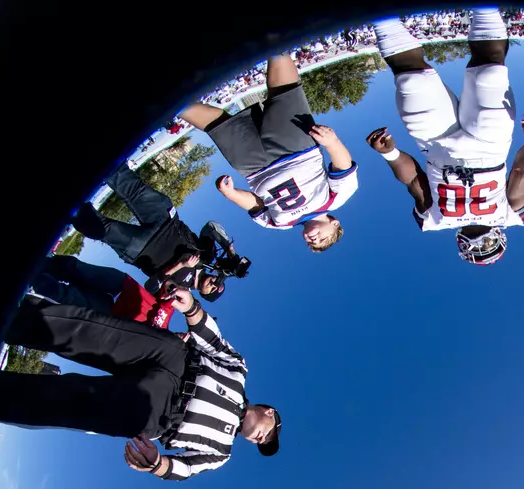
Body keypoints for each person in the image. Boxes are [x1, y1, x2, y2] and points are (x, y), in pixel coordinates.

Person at [0, 288, 282, 481]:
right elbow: (213, 341)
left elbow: (187, 468)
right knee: (88, 333)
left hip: (156, 412)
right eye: (267, 436)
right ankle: (11, 318)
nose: (260, 441)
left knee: (67, 402)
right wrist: (191, 307)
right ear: (268, 412)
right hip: (173, 357)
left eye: (261, 445)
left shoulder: (221, 453)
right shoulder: (239, 370)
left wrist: (157, 465)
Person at [367, 9, 524, 265]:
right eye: (488, 246)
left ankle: (380, 14)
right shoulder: (509, 217)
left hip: (441, 145)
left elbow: (413, 181)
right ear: (498, 239)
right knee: (489, 68)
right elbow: (522, 173)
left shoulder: (434, 221)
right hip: (484, 145)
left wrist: (391, 154)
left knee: (411, 79)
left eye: (480, 249)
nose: (482, 244)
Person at [178, 55, 358, 251]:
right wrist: (333, 143)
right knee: (283, 91)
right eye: (323, 239)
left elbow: (256, 205)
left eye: (310, 243)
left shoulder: (279, 224)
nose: (313, 239)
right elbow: (343, 167)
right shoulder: (336, 199)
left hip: (253, 166)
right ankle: (274, 40)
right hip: (297, 149)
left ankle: (172, 99)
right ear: (335, 224)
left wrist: (231, 194)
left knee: (215, 124)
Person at [70, 166, 249, 301]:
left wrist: (180, 265)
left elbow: (151, 287)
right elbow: (211, 227)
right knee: (130, 185)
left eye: (213, 289)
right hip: (165, 220)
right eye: (218, 282)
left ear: (204, 295)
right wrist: (230, 251)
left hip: (141, 248)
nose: (214, 284)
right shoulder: (209, 258)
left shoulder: (181, 289)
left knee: (99, 227)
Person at [29, 254, 190, 330]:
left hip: (109, 313)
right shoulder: (168, 312)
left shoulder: (158, 346)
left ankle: (32, 277)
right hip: (121, 285)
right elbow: (163, 282)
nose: (182, 338)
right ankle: (44, 262)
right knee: (77, 269)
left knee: (67, 296)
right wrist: (170, 290)